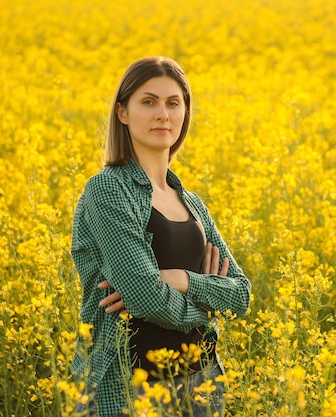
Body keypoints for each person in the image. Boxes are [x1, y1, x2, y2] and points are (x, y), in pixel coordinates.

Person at [71, 56, 251, 417]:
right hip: (128, 387)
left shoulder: (191, 202)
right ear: (122, 112)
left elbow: (242, 295)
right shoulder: (108, 190)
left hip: (202, 382)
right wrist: (207, 303)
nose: (163, 114)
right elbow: (146, 298)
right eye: (148, 102)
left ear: (185, 113)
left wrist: (181, 279)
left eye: (173, 103)